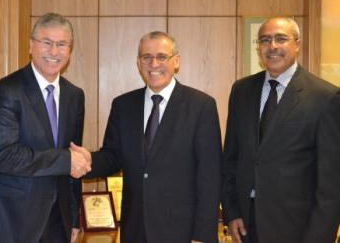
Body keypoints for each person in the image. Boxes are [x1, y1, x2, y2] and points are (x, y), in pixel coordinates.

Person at [73, 31, 222, 243]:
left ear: (176, 61)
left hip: (183, 232)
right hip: (136, 229)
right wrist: (86, 160)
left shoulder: (201, 106)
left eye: (162, 57)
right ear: (138, 63)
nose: (154, 63)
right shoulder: (123, 105)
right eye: (146, 57)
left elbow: (210, 176)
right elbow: (112, 157)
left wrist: (202, 236)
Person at [222, 17, 340, 243]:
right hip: (246, 225)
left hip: (297, 228)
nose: (272, 46)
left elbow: (331, 184)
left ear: (297, 44)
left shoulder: (325, 98)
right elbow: (231, 158)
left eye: (281, 39)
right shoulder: (242, 91)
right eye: (265, 40)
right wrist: (232, 212)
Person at [0, 13, 90, 243]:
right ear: (31, 45)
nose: (54, 52)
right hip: (14, 217)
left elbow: (72, 157)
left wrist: (74, 218)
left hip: (58, 220)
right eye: (47, 42)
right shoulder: (6, 90)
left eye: (62, 44)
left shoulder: (75, 96)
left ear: (70, 51)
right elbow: (4, 155)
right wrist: (65, 160)